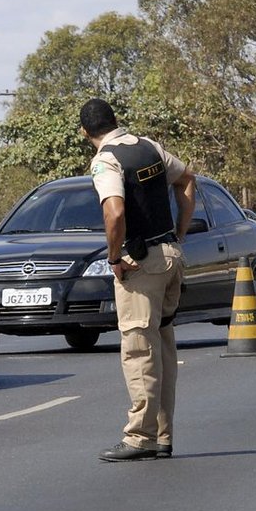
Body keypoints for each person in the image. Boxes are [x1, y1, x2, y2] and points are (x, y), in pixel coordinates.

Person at [80, 98, 195, 462]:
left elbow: (115, 212)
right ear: (115, 121)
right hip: (171, 256)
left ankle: (139, 437)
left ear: (85, 133)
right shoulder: (150, 147)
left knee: (138, 349)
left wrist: (114, 257)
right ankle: (163, 434)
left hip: (140, 265)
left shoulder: (106, 160)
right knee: (161, 346)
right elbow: (188, 180)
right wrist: (179, 233)